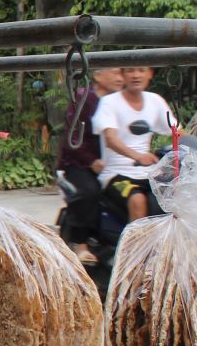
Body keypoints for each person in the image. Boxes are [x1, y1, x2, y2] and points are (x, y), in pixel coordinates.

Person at [57, 67, 124, 263]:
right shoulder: (83, 98)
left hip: (116, 162)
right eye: (114, 73)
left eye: (122, 73)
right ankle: (80, 243)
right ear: (97, 75)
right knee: (89, 191)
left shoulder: (123, 100)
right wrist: (91, 160)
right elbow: (73, 137)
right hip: (80, 162)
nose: (120, 78)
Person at [94, 66, 176, 224]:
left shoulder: (155, 100)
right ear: (123, 74)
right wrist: (138, 156)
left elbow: (177, 132)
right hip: (116, 174)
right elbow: (110, 139)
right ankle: (134, 241)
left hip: (149, 174)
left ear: (150, 73)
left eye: (141, 70)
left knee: (175, 197)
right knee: (137, 200)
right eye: (130, 70)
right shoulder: (109, 102)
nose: (136, 75)